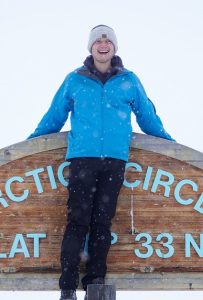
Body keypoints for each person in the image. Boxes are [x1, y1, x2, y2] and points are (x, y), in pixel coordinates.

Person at [28, 25, 175, 300]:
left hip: (115, 161)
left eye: (108, 40)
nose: (103, 44)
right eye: (98, 40)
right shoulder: (75, 79)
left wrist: (169, 142)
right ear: (91, 47)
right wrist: (31, 143)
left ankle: (95, 282)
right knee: (77, 221)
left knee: (102, 223)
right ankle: (68, 287)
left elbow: (147, 116)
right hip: (83, 158)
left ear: (115, 47)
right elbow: (54, 115)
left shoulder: (129, 80)